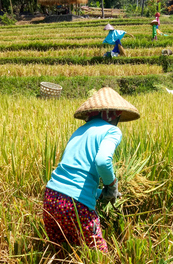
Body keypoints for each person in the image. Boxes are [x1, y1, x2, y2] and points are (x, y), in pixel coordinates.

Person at [43, 87, 140, 253]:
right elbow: (102, 161)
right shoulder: (112, 130)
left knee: (61, 253)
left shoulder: (79, 131)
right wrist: (112, 185)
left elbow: (73, 176)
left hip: (51, 198)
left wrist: (99, 193)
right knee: (97, 256)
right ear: (114, 114)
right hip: (75, 206)